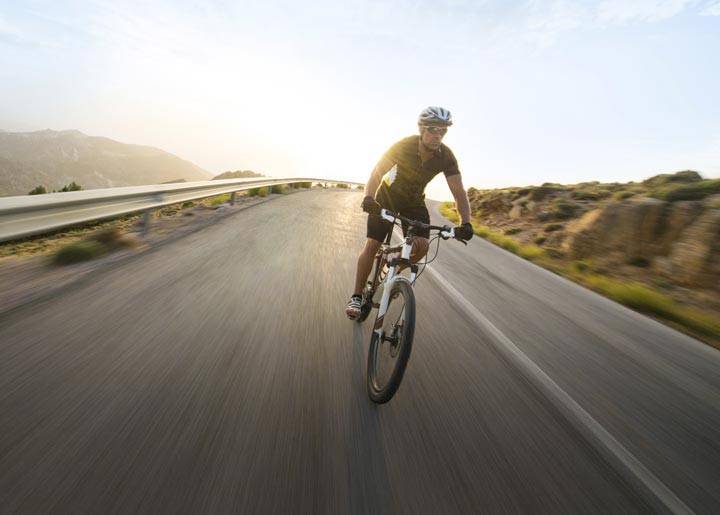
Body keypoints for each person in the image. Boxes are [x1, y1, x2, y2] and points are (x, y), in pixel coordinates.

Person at [346, 106, 474, 320]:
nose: (437, 135)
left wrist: (466, 223)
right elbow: (377, 172)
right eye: (433, 129)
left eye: (443, 131)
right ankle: (357, 296)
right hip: (388, 197)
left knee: (422, 247)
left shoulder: (446, 156)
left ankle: (391, 269)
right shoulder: (403, 146)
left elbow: (459, 192)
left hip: (414, 203)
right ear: (422, 128)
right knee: (373, 244)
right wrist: (369, 197)